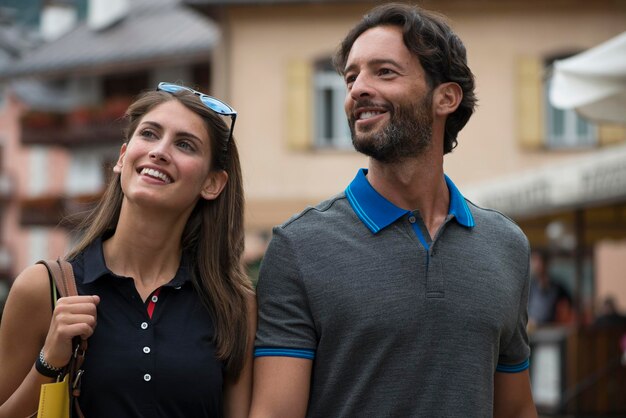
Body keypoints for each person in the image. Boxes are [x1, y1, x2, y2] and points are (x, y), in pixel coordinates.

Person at [250, 3, 537, 418]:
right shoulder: (299, 247)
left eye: (384, 72)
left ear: (446, 98)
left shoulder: (507, 246)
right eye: (351, 77)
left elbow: (516, 409)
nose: (357, 90)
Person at [0, 82, 256, 417]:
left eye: (185, 145)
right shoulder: (42, 288)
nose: (159, 151)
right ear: (123, 157)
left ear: (212, 183)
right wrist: (49, 362)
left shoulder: (235, 305)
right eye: (149, 134)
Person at [527, 251, 573, 328]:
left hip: (551, 331)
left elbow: (570, 303)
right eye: (534, 261)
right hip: (532, 331)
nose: (537, 265)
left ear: (546, 263)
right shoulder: (530, 285)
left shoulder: (557, 286)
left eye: (539, 260)